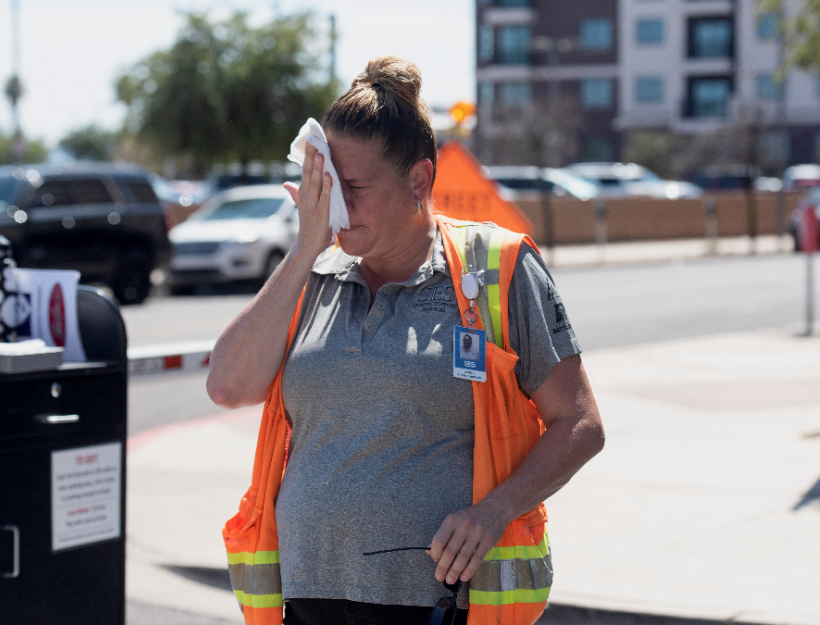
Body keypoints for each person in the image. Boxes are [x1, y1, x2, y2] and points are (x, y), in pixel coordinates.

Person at [208, 56, 605, 625]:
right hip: (307, 596)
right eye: (327, 187)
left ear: (419, 181)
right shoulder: (312, 275)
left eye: (355, 188)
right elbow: (226, 386)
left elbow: (581, 423)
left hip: (432, 604)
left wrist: (494, 511)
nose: (336, 207)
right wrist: (302, 251)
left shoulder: (498, 268)